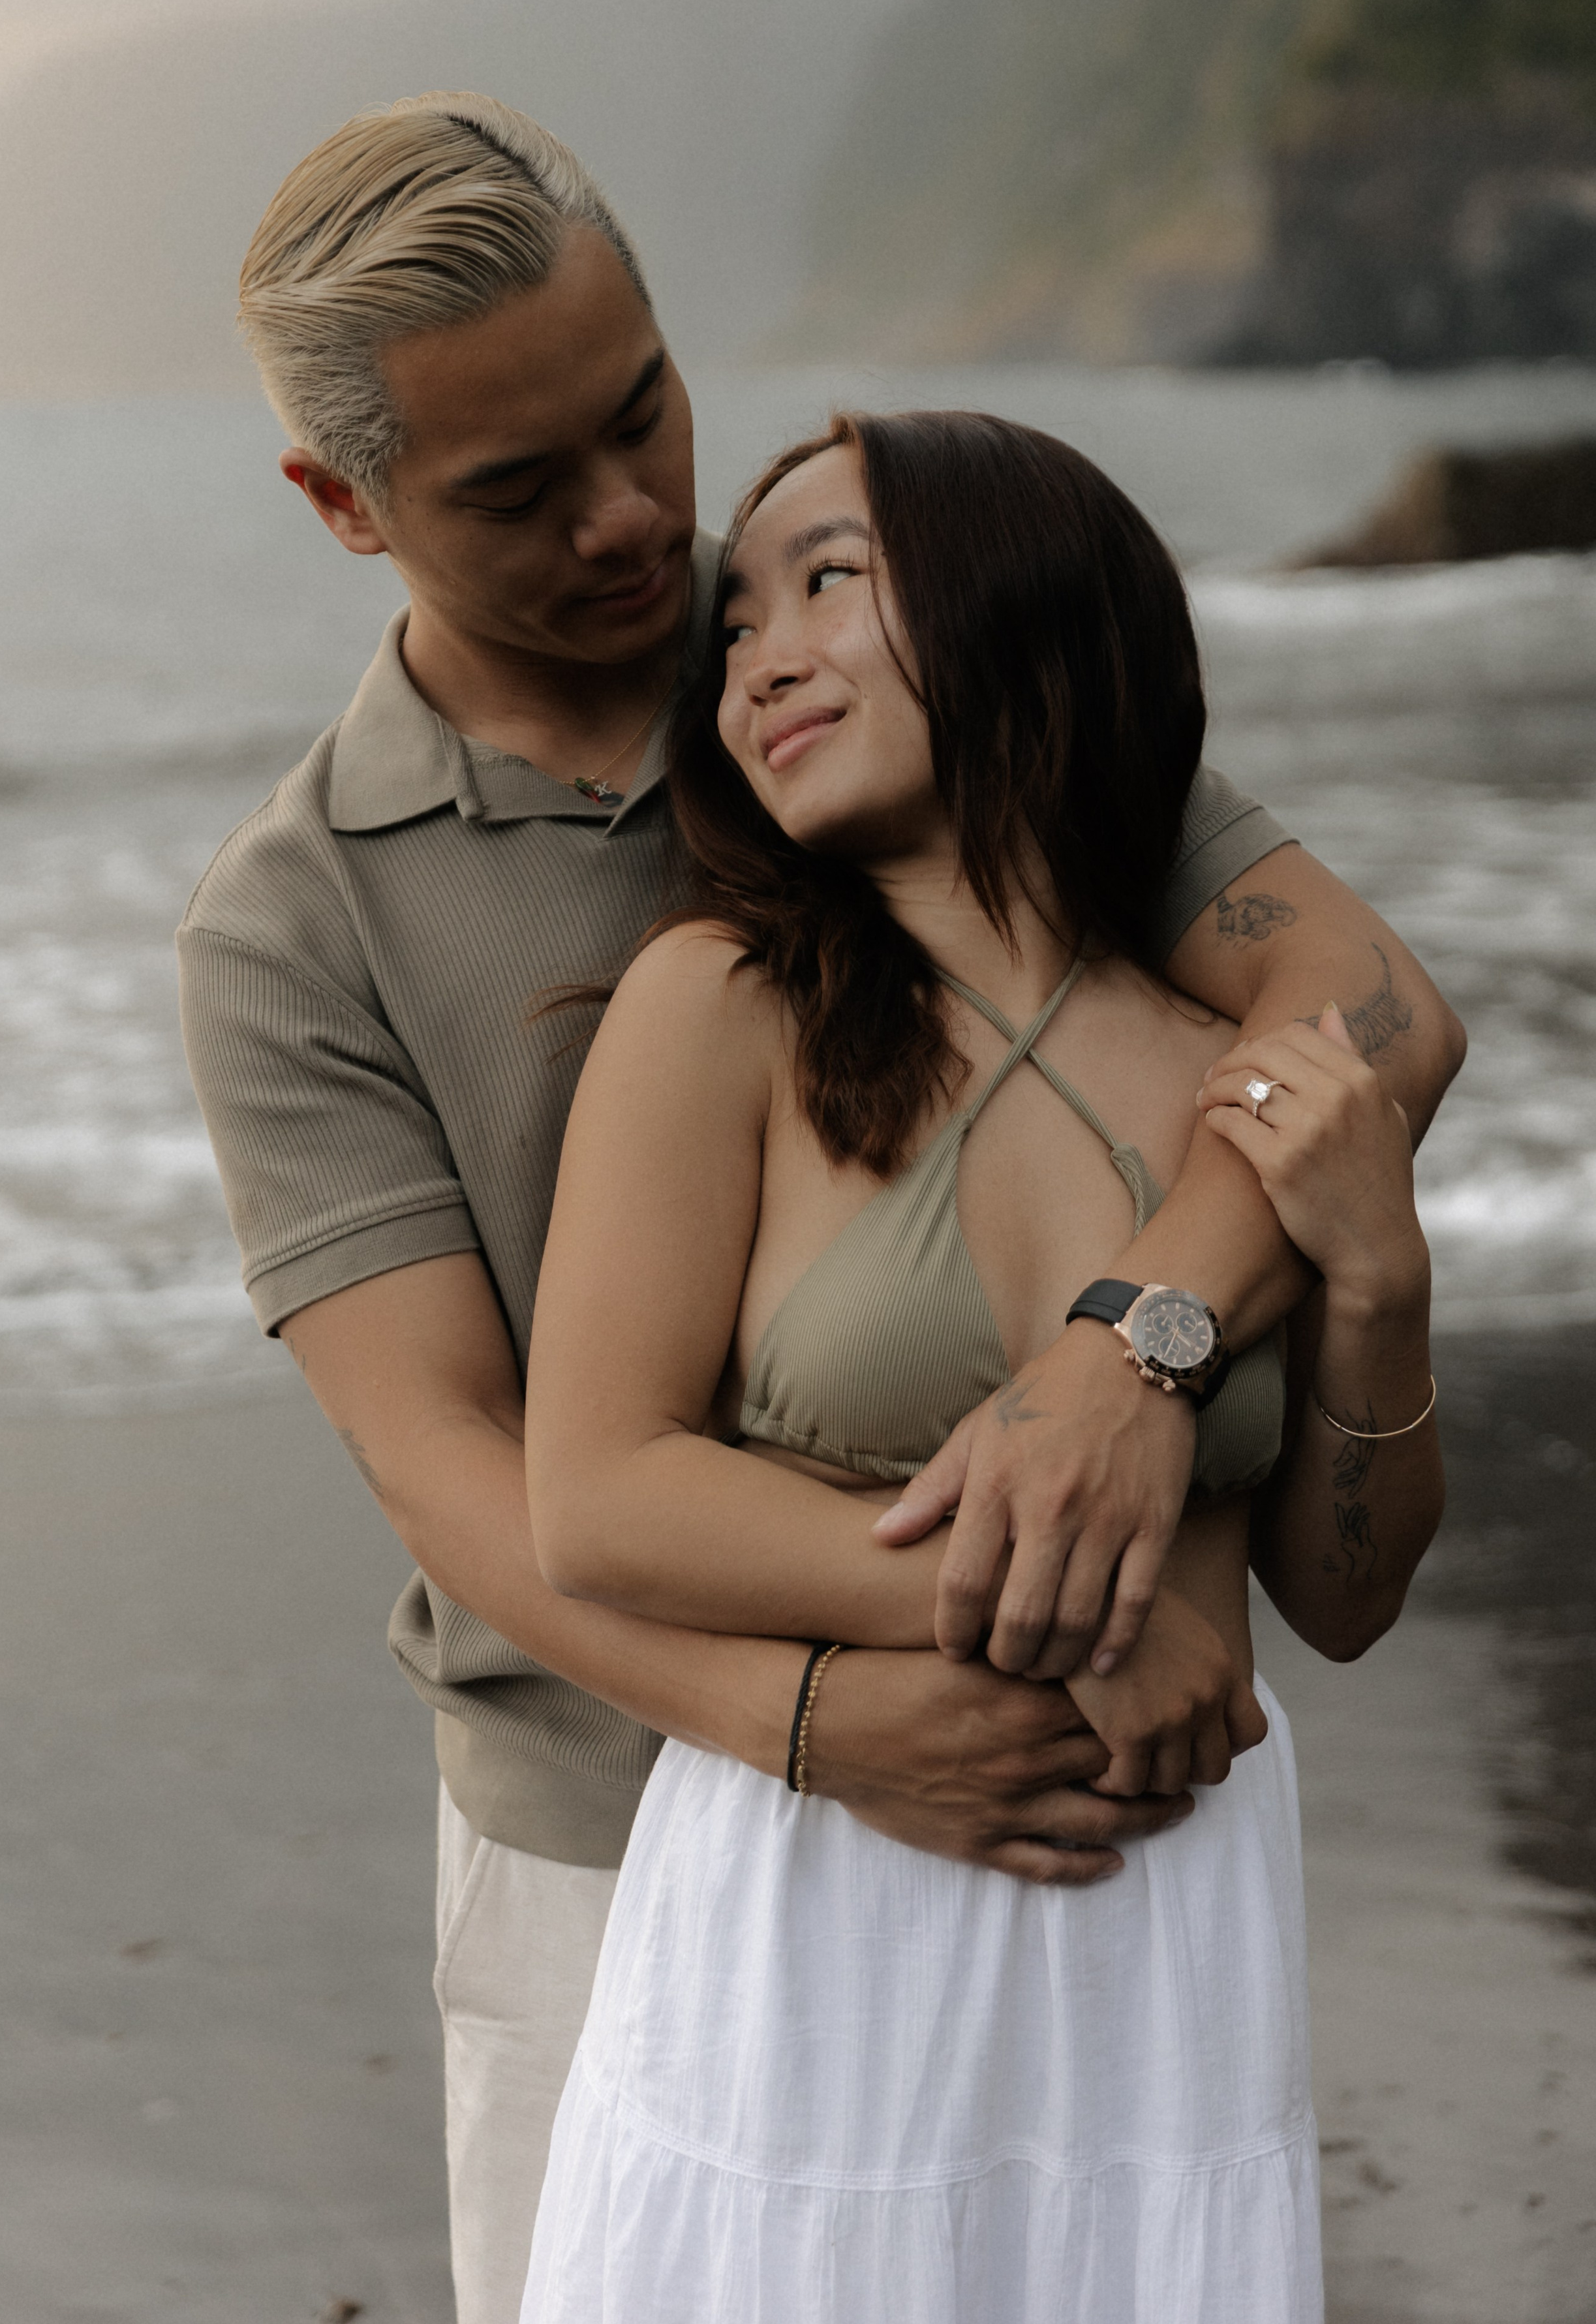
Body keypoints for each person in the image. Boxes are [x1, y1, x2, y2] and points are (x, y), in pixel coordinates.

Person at [177, 94, 1464, 2324]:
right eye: (517, 489)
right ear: (339, 507)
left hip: (1098, 1795)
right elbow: (474, 1484)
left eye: (644, 408)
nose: (634, 518)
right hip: (611, 1839)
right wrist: (824, 1713)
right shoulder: (297, 930)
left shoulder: (874, 655)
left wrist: (1127, 1376)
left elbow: (1359, 1015)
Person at [519, 410, 1447, 2321]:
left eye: (828, 580)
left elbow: (1342, 1602)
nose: (759, 650)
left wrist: (1380, 1294)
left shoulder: (1232, 1063)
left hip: (1168, 1941)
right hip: (817, 1918)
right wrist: (1071, 1611)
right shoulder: (723, 1005)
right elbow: (596, 1495)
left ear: (1026, 592)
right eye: (737, 626)